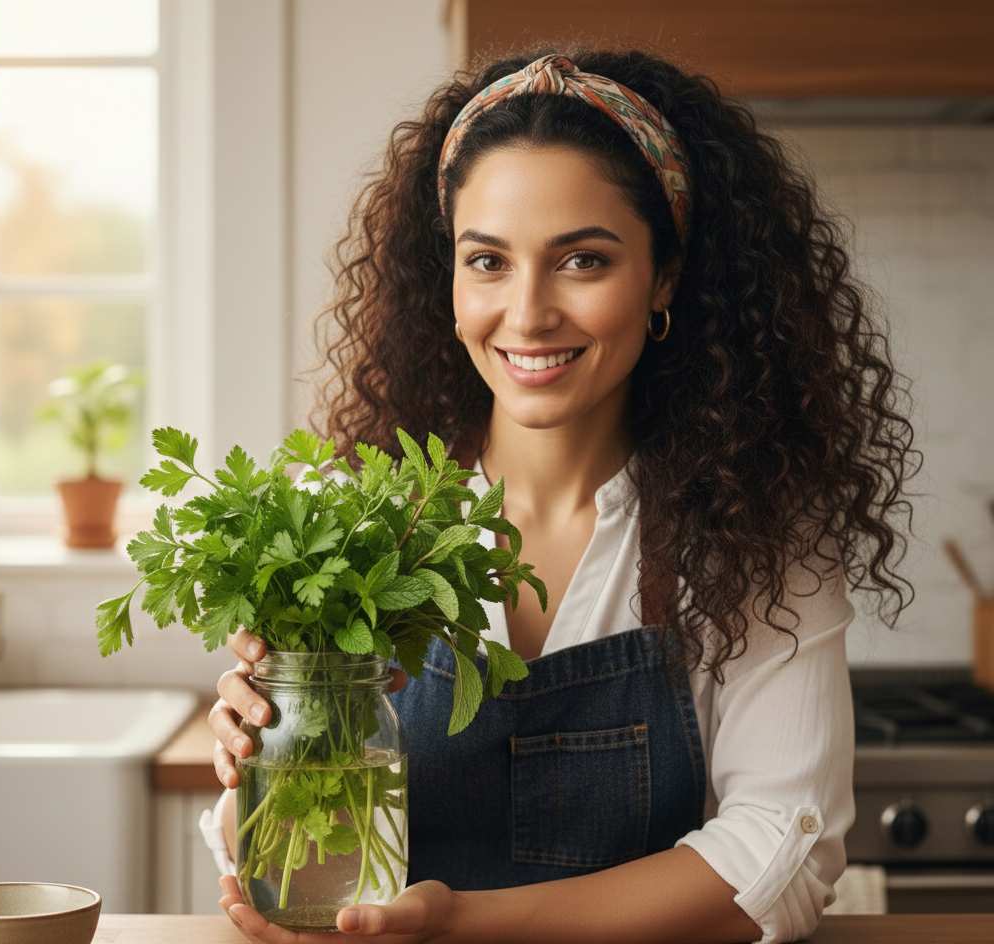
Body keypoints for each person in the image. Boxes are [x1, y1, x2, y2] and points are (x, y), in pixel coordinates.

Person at [201, 49, 916, 944]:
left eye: (582, 260)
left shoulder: (754, 531)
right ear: (448, 284)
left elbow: (780, 856)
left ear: (663, 278)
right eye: (488, 261)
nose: (529, 312)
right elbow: (279, 866)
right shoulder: (346, 518)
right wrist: (259, 761)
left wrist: (463, 924)